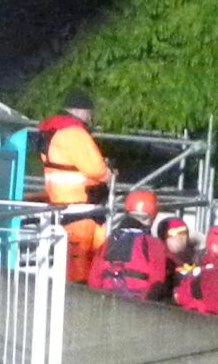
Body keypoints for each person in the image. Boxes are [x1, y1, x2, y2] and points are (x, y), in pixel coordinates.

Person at [33, 102, 111, 283]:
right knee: (84, 258)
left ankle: (74, 290)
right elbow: (96, 169)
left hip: (61, 202)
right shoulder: (74, 133)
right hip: (83, 205)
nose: (90, 117)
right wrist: (109, 172)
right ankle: (83, 295)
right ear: (79, 110)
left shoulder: (50, 131)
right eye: (89, 112)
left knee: (71, 257)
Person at [85, 187, 170, 300]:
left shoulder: (108, 242)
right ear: (153, 216)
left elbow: (94, 281)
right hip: (138, 308)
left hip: (107, 306)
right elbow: (157, 283)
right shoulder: (154, 245)